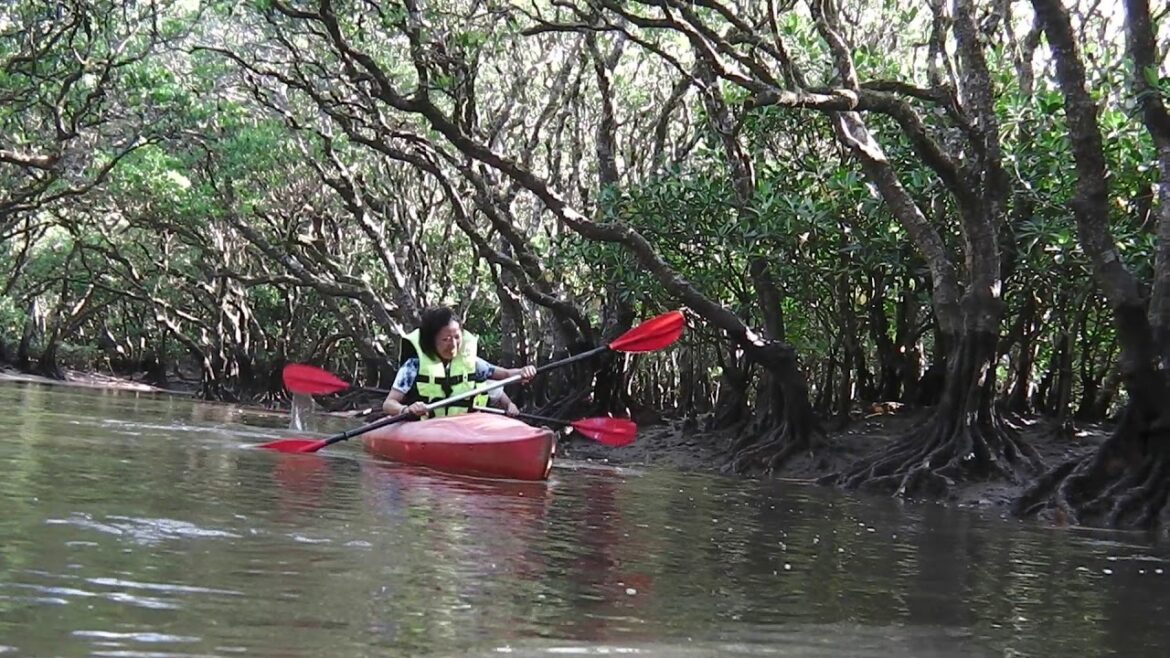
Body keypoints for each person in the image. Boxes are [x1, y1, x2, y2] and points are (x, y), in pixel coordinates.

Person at [382, 305, 537, 419]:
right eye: (445, 339)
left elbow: (506, 374)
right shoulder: (413, 366)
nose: (453, 345)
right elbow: (389, 404)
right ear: (431, 341)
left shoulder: (472, 364)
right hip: (424, 426)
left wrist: (523, 372)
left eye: (457, 337)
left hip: (462, 427)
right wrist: (405, 410)